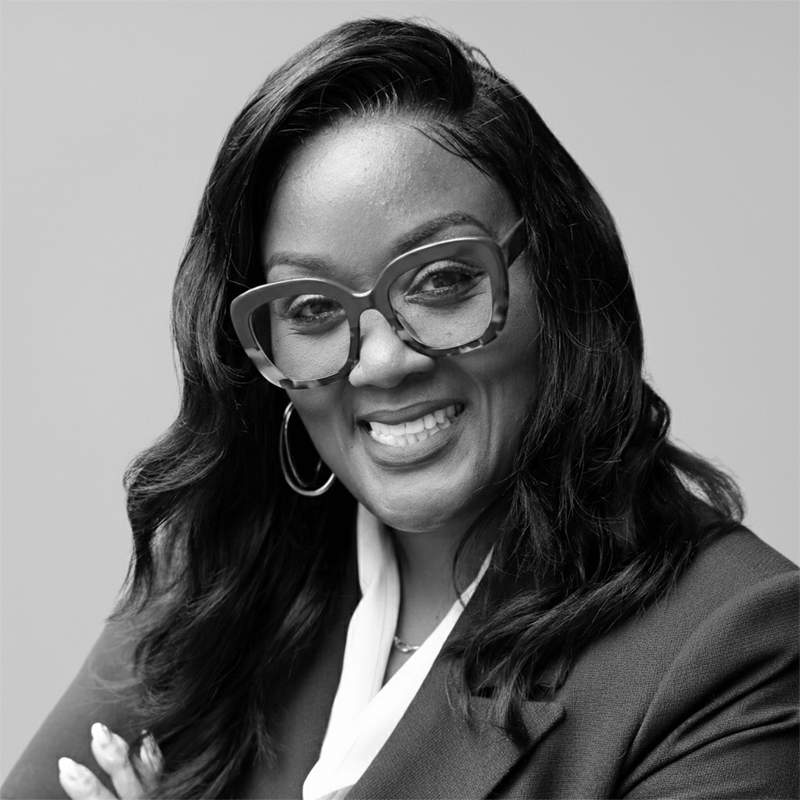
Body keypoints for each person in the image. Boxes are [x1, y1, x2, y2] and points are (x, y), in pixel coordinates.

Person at [2, 17, 798, 800]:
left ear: (557, 277)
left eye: (444, 280)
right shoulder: (215, 571)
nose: (382, 362)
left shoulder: (735, 644)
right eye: (312, 309)